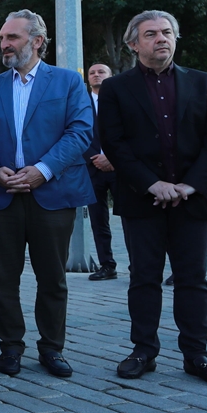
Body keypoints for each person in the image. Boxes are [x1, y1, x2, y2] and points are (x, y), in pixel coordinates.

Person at [99, 11, 207, 386]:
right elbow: (114, 143)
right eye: (151, 34)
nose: (161, 39)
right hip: (143, 200)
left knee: (193, 279)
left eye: (167, 32)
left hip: (194, 199)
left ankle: (197, 356)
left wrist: (190, 186)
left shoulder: (204, 83)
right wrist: (151, 184)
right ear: (133, 44)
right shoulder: (116, 88)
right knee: (144, 278)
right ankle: (143, 350)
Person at [0, 9, 93, 378]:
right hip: (2, 195)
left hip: (52, 195)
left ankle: (52, 349)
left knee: (51, 277)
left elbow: (80, 132)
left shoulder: (68, 82)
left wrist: (42, 170)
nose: (4, 45)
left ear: (37, 42)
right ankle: (10, 347)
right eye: (3, 38)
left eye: (13, 38)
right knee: (1, 277)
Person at [84, 62, 120, 281]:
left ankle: (138, 265)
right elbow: (75, 130)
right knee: (98, 220)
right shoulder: (80, 102)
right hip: (92, 167)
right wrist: (94, 158)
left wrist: (114, 158)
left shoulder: (121, 99)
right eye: (92, 73)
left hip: (120, 168)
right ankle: (107, 265)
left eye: (101, 72)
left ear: (111, 75)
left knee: (130, 218)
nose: (96, 75)